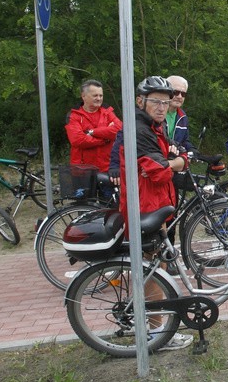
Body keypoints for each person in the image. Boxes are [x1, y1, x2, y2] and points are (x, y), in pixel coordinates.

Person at [117, 75, 192, 351]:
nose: (162, 107)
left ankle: (151, 324)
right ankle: (157, 333)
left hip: (153, 202)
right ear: (140, 101)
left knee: (154, 268)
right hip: (145, 205)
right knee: (152, 270)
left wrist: (175, 157)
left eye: (166, 101)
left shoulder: (153, 126)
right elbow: (158, 171)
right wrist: (179, 161)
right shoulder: (140, 129)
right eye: (156, 101)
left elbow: (166, 158)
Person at [64, 80, 122, 172]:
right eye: (95, 95)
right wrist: (105, 138)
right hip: (82, 171)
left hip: (107, 168)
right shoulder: (74, 115)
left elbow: (119, 130)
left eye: (101, 95)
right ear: (83, 96)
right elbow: (78, 140)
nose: (99, 98)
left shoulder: (107, 112)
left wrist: (92, 132)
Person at [164, 75, 195, 153]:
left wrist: (194, 152)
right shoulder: (156, 114)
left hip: (176, 158)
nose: (180, 96)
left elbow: (185, 141)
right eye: (176, 92)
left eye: (183, 94)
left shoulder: (183, 116)